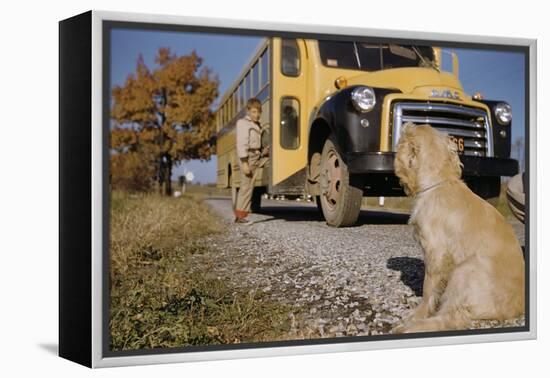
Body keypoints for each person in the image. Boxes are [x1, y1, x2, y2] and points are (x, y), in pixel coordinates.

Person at [234, 98, 269, 224]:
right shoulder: (243, 123)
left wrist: (262, 152)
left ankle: (241, 215)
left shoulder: (257, 124)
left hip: (255, 156)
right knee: (246, 187)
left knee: (249, 187)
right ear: (248, 111)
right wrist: (244, 163)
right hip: (247, 157)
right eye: (254, 112)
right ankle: (240, 216)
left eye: (259, 112)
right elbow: (242, 144)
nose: (257, 114)